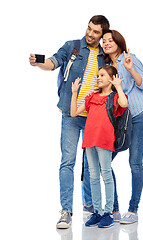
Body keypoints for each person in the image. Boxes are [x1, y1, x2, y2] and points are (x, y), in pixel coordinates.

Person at [29, 15, 110, 229]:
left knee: (91, 164)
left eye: (96, 32)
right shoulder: (72, 47)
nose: (90, 34)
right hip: (71, 115)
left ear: (102, 36)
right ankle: (66, 211)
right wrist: (39, 63)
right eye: (89, 29)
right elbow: (53, 62)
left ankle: (90, 206)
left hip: (94, 116)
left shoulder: (105, 56)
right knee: (68, 162)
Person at [102, 30, 143, 224]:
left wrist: (130, 69)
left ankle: (133, 210)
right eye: (104, 41)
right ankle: (114, 209)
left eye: (110, 40)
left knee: (135, 163)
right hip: (121, 121)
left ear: (118, 42)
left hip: (140, 115)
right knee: (104, 161)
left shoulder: (129, 59)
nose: (106, 43)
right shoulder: (107, 67)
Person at [71, 65, 128, 228]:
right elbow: (74, 112)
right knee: (93, 176)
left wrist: (118, 86)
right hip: (89, 140)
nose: (98, 78)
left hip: (104, 141)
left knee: (106, 174)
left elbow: (123, 104)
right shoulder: (91, 97)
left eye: (102, 75)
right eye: (98, 75)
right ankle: (97, 212)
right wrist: (75, 93)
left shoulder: (114, 97)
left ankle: (108, 213)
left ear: (111, 79)